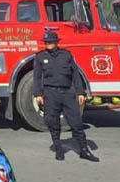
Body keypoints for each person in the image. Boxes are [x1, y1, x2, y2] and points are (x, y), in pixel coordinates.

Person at [33, 31, 99, 162]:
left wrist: (81, 92)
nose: (48, 44)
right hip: (50, 93)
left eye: (51, 41)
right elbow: (37, 77)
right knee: (52, 121)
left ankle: (84, 150)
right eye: (46, 42)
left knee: (76, 122)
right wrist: (38, 94)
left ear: (57, 42)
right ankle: (58, 148)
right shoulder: (40, 57)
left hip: (67, 92)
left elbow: (75, 74)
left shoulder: (66, 55)